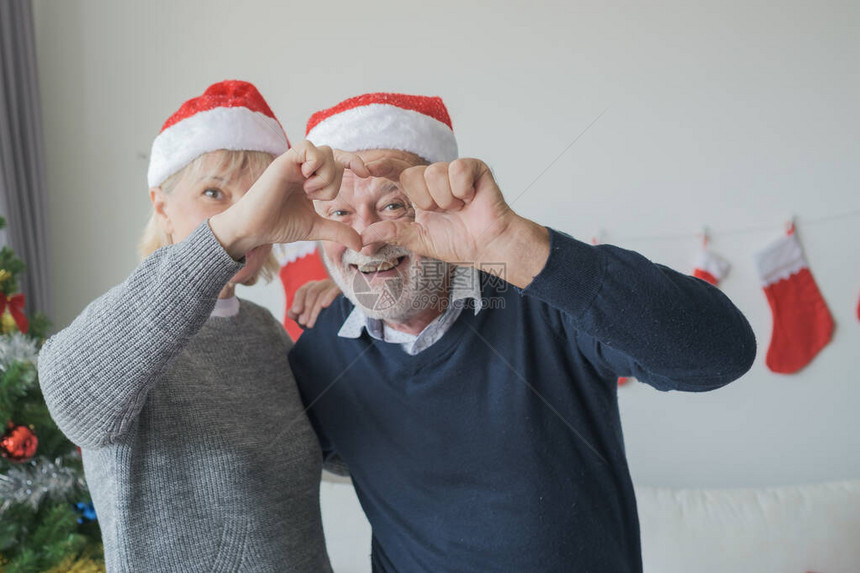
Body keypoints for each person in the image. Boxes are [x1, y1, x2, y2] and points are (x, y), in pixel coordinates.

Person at [288, 92, 758, 573]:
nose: (365, 236)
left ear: (445, 206)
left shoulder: (543, 293)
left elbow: (722, 354)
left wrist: (518, 245)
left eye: (390, 205)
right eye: (339, 214)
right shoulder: (320, 348)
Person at [37, 80, 367, 572]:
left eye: (259, 198)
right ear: (162, 207)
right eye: (214, 193)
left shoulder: (264, 332)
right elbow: (72, 397)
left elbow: (351, 452)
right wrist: (232, 232)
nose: (245, 215)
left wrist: (371, 312)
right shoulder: (126, 334)